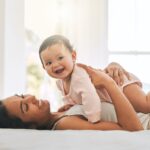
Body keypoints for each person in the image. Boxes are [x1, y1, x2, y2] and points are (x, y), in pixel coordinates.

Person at [39, 35, 150, 123]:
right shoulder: (60, 83)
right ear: (44, 67)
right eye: (49, 63)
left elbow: (90, 95)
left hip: (119, 83)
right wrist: (70, 107)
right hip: (113, 96)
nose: (55, 64)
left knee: (146, 105)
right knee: (140, 113)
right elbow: (75, 97)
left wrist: (93, 118)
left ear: (73, 56)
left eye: (60, 58)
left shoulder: (78, 76)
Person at [0, 66, 144, 131]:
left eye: (22, 96)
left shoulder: (62, 111)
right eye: (25, 107)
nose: (30, 97)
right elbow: (133, 128)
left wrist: (113, 68)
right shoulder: (64, 124)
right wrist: (109, 83)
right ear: (30, 127)